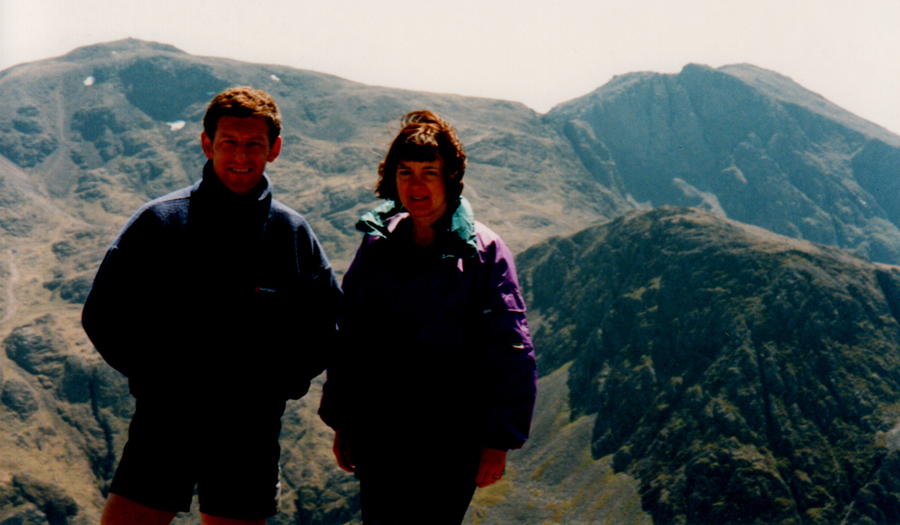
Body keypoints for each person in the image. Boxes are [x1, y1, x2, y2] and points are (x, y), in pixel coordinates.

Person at [82, 87, 341, 525]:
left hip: (249, 435)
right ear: (207, 144)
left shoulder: (292, 235)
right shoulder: (160, 222)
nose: (241, 156)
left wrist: (279, 385)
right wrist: (159, 380)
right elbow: (103, 315)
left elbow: (327, 326)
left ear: (274, 149)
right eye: (229, 143)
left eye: (254, 144)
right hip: (163, 427)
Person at [318, 110, 537, 524]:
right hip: (379, 434)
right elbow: (351, 338)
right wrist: (343, 421)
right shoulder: (377, 246)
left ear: (450, 177)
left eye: (429, 172)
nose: (416, 185)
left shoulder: (484, 253)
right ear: (392, 178)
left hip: (450, 444)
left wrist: (497, 441)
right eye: (405, 172)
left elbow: (511, 348)